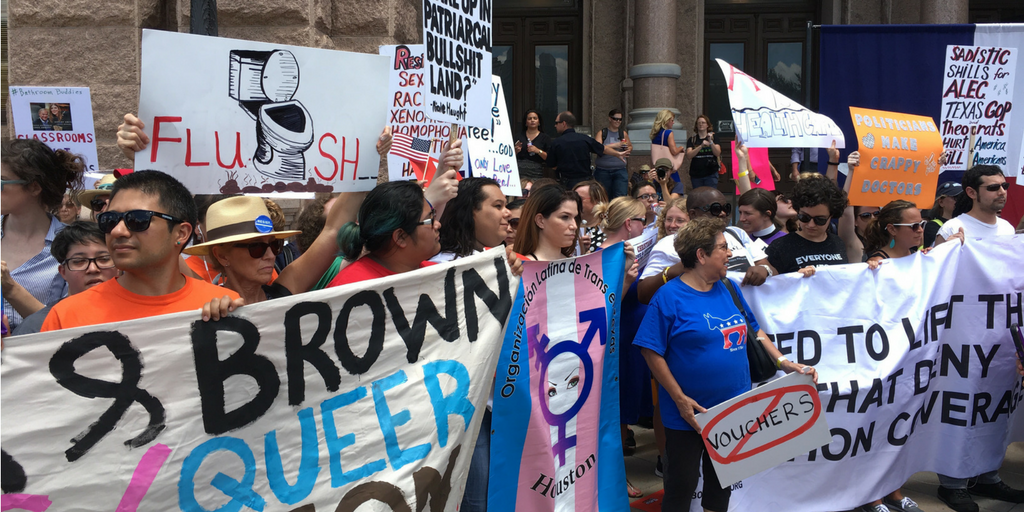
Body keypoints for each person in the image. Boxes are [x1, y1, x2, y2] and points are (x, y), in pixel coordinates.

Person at [634, 216, 815, 512]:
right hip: (688, 414)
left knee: (722, 484)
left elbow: (755, 329)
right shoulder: (669, 297)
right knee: (681, 486)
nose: (729, 253)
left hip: (733, 409)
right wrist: (679, 399)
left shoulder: (728, 287)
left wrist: (784, 363)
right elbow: (650, 351)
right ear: (701, 255)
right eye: (722, 248)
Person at [41, 171, 240, 331]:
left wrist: (233, 325)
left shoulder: (223, 307)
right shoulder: (66, 318)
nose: (117, 231)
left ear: (181, 233)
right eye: (109, 220)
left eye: (137, 220)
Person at [183, 194, 357, 304]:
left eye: (275, 244)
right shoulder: (210, 305)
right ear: (221, 256)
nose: (270, 255)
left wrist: (368, 160)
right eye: (256, 247)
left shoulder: (284, 290)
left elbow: (332, 231)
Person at [592, 196, 648, 498]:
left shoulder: (623, 252)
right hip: (617, 341)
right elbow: (603, 304)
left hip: (628, 338)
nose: (646, 225)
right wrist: (626, 280)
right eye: (642, 220)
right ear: (629, 224)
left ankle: (615, 477)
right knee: (613, 412)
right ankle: (614, 479)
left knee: (621, 413)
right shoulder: (607, 256)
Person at [638, 186, 774, 304]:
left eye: (726, 208)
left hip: (749, 317)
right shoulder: (669, 244)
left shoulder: (737, 233)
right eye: (715, 209)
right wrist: (677, 270)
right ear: (693, 214)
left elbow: (769, 267)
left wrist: (764, 270)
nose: (722, 213)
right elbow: (643, 294)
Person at [2, 139, 83, 328]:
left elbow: (66, 326)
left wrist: (11, 289)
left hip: (36, 354)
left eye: (1, 182)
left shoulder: (73, 245)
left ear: (34, 187)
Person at [13, 221, 120, 335]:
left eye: (103, 259)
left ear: (119, 266)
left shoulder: (139, 311)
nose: (93, 269)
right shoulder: (38, 327)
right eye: (79, 261)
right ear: (63, 272)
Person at [328, 181, 441, 286]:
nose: (438, 225)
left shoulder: (441, 275)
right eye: (429, 219)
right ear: (400, 237)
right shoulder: (349, 289)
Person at [766, 176, 848, 276]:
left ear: (831, 216)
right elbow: (772, 286)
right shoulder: (780, 247)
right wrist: (795, 279)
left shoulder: (838, 243)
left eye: (820, 220)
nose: (811, 224)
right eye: (804, 217)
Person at [434, 177, 511, 262]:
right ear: (469, 211)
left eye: (505, 206)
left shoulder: (506, 262)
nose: (508, 213)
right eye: (498, 206)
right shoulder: (444, 265)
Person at [546, 111, 628, 190]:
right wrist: (617, 153)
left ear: (564, 123)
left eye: (557, 123)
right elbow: (603, 148)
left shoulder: (557, 142)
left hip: (567, 181)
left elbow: (551, 164)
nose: (555, 125)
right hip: (585, 181)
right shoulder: (585, 139)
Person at [934, 165, 1012, 246]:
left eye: (1005, 186)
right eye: (993, 187)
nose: (1002, 192)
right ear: (971, 192)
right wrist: (948, 249)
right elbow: (938, 258)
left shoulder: (1007, 228)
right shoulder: (951, 229)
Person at [513, 184, 582, 260]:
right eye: (565, 217)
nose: (574, 226)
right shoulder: (521, 268)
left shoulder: (579, 266)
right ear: (540, 221)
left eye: (575, 218)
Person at [594, 109, 632, 200]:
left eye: (620, 119)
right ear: (610, 119)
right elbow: (596, 148)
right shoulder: (602, 133)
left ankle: (618, 214)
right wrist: (616, 145)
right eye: (615, 119)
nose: (618, 121)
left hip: (620, 170)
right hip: (603, 170)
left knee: (621, 198)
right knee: (604, 197)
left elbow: (630, 146)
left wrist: (627, 149)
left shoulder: (623, 133)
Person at [684, 115, 722, 189]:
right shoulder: (692, 139)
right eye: (699, 123)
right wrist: (701, 146)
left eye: (703, 122)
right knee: (698, 196)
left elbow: (717, 153)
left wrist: (710, 142)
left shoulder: (714, 138)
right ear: (696, 125)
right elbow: (689, 155)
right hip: (696, 174)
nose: (701, 124)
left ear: (707, 125)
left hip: (711, 173)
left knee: (710, 196)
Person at [514, 110, 552, 181]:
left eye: (535, 118)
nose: (532, 120)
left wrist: (538, 151)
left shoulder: (545, 138)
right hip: (519, 171)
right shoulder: (518, 136)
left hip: (536, 172)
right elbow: (510, 156)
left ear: (539, 122)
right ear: (525, 122)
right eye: (529, 118)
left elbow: (549, 157)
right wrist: (515, 151)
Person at [573, 180, 608, 250]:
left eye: (578, 199)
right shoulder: (568, 227)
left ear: (597, 201)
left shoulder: (612, 227)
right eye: (572, 198)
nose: (574, 201)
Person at [924, 181, 961, 248]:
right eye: (956, 198)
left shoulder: (967, 222)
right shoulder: (933, 226)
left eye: (963, 198)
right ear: (941, 202)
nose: (960, 201)